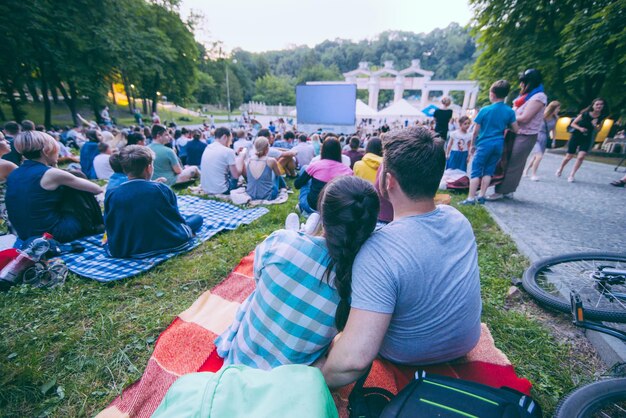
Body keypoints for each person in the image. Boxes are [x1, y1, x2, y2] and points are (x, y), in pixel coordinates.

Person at [318, 126, 482, 388]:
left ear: (389, 180)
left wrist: (313, 380)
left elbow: (354, 360)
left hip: (407, 356)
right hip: (465, 344)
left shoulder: (379, 251)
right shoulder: (458, 220)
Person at [216, 176, 380, 369]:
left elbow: (258, 279)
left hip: (239, 361)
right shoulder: (363, 288)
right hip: (291, 384)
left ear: (322, 214)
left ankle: (303, 232)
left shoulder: (280, 241)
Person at [104, 145, 202, 258]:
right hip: (167, 240)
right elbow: (175, 217)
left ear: (125, 169)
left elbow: (111, 223)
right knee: (197, 219)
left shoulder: (111, 194)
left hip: (129, 247)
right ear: (149, 167)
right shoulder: (161, 189)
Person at [6, 131, 103, 242]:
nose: (59, 154)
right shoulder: (52, 174)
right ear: (46, 151)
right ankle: (94, 225)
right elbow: (97, 189)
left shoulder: (14, 173)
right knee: (76, 177)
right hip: (52, 234)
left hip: (25, 233)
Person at [488, 69, 547, 199]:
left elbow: (526, 118)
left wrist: (507, 115)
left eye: (523, 82)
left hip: (525, 134)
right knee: (505, 161)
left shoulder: (539, 97)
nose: (520, 85)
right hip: (514, 132)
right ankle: (505, 189)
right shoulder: (526, 97)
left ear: (529, 83)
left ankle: (503, 190)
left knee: (514, 163)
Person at [460, 80, 518, 205]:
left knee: (475, 171)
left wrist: (473, 145)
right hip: (498, 144)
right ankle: (482, 196)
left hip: (484, 144)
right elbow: (516, 129)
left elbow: (475, 131)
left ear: (492, 94)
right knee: (489, 171)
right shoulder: (509, 111)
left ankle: (470, 198)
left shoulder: (485, 110)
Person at [556, 98, 609, 182]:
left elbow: (598, 130)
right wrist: (580, 128)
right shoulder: (585, 114)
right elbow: (573, 124)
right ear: (593, 105)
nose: (599, 106)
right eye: (597, 104)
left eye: (601, 104)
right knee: (569, 156)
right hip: (576, 136)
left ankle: (572, 175)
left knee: (581, 157)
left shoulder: (602, 117)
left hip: (587, 137)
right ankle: (560, 168)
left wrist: (594, 125)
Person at [294, 138, 353, 214]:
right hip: (334, 211)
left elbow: (297, 185)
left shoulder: (315, 165)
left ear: (323, 150)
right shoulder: (348, 171)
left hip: (311, 206)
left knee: (305, 168)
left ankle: (305, 210)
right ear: (339, 151)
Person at [200, 127, 245, 194]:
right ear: (225, 137)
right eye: (230, 139)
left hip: (206, 188)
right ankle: (252, 185)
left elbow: (221, 157)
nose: (231, 142)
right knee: (241, 160)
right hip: (221, 190)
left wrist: (235, 153)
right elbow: (235, 176)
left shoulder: (208, 147)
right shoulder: (228, 151)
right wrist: (242, 156)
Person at [524, 101, 560, 181]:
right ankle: (533, 175)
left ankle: (526, 170)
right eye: (558, 108)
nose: (559, 110)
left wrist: (554, 140)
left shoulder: (556, 118)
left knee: (535, 157)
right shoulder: (542, 115)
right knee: (539, 157)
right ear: (552, 109)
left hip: (545, 138)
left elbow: (554, 129)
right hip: (536, 136)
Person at [0, 132, 17, 234]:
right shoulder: (6, 166)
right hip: (4, 217)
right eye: (2, 139)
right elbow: (28, 183)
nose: (7, 141)